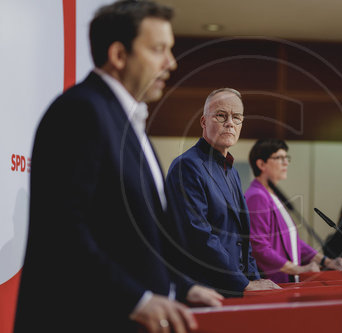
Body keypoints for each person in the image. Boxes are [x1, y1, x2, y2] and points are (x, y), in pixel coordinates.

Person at [14, 2, 222, 333]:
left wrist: (183, 287)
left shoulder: (125, 120)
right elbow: (63, 232)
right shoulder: (79, 112)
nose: (172, 63)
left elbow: (139, 238)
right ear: (118, 55)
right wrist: (137, 300)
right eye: (158, 50)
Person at [164, 88, 280, 296]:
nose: (230, 123)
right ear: (203, 122)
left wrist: (254, 279)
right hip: (206, 291)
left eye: (237, 118)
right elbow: (198, 236)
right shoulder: (187, 166)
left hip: (236, 289)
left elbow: (244, 239)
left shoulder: (232, 172)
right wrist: (243, 284)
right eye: (221, 115)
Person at [245, 139, 342, 283]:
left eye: (287, 158)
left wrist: (326, 261)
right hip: (273, 285)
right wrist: (299, 269)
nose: (286, 162)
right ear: (261, 164)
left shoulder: (272, 196)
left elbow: (293, 242)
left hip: (287, 281)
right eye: (280, 158)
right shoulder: (257, 196)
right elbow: (259, 247)